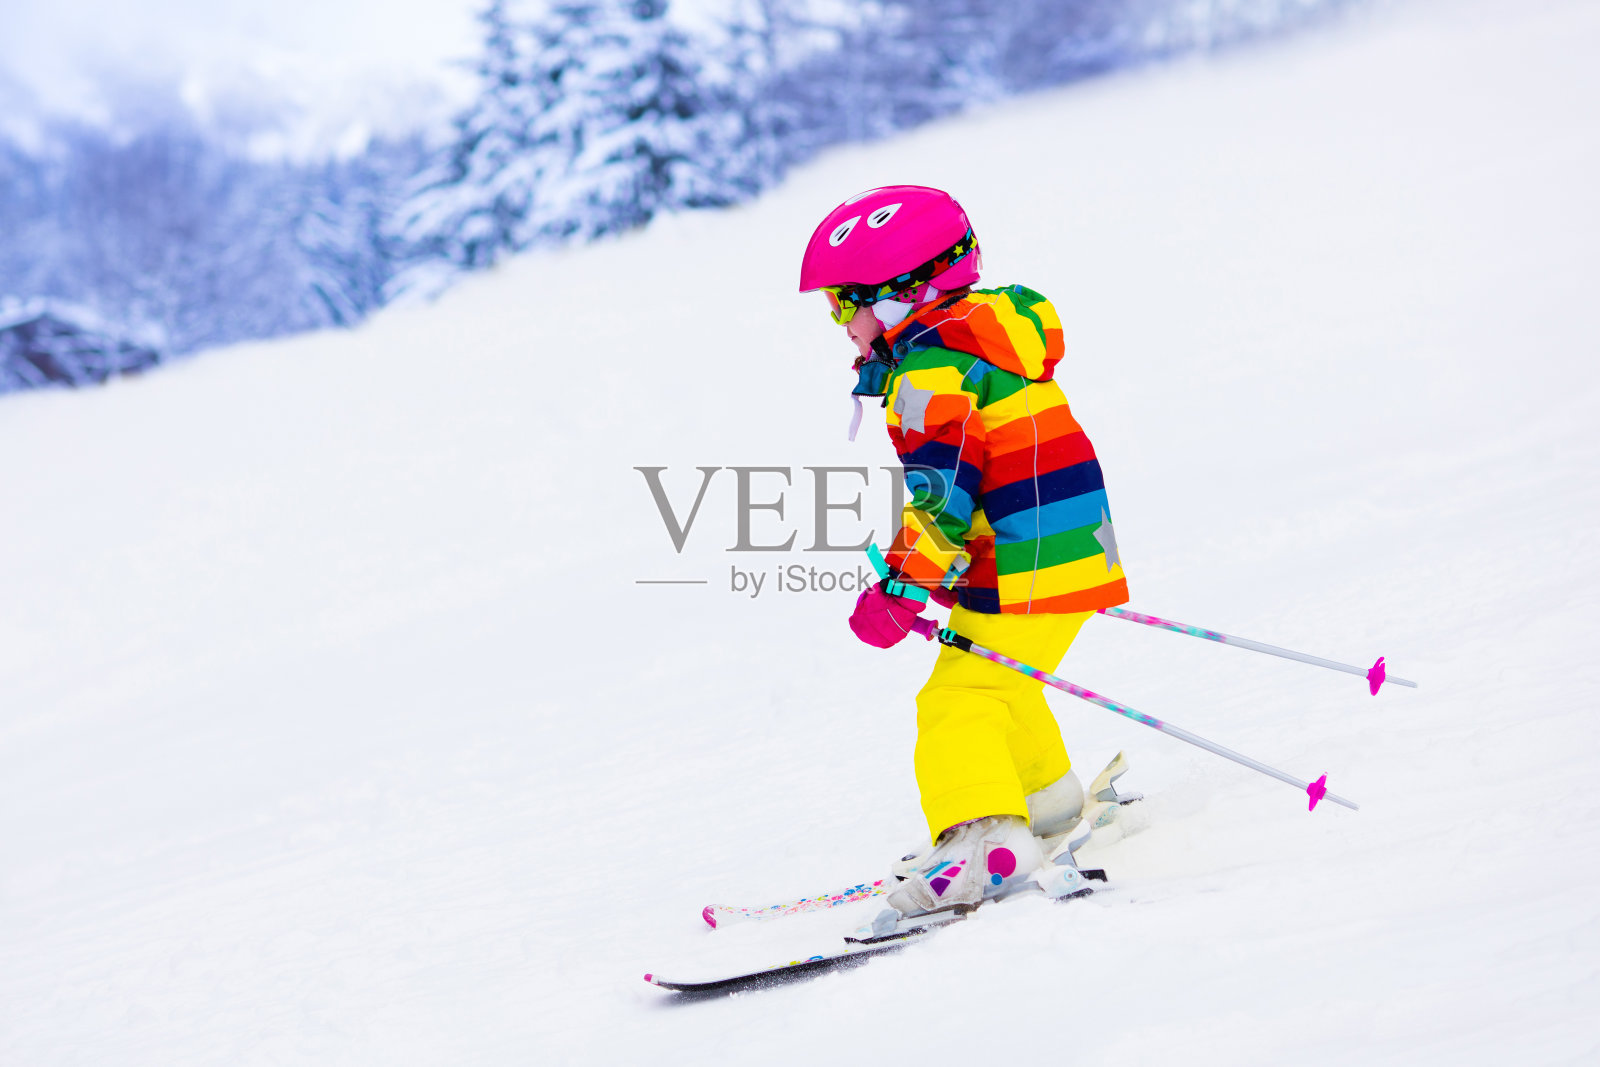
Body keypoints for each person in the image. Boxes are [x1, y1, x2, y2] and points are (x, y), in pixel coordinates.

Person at [797, 185, 1131, 920]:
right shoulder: (985, 341)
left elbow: (940, 494)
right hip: (1071, 547)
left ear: (893, 297)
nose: (840, 326)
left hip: (1027, 562)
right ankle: (1047, 804)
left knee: (958, 697)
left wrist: (901, 586)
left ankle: (985, 845)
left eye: (840, 306)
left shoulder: (929, 370)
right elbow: (1002, 465)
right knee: (1001, 680)